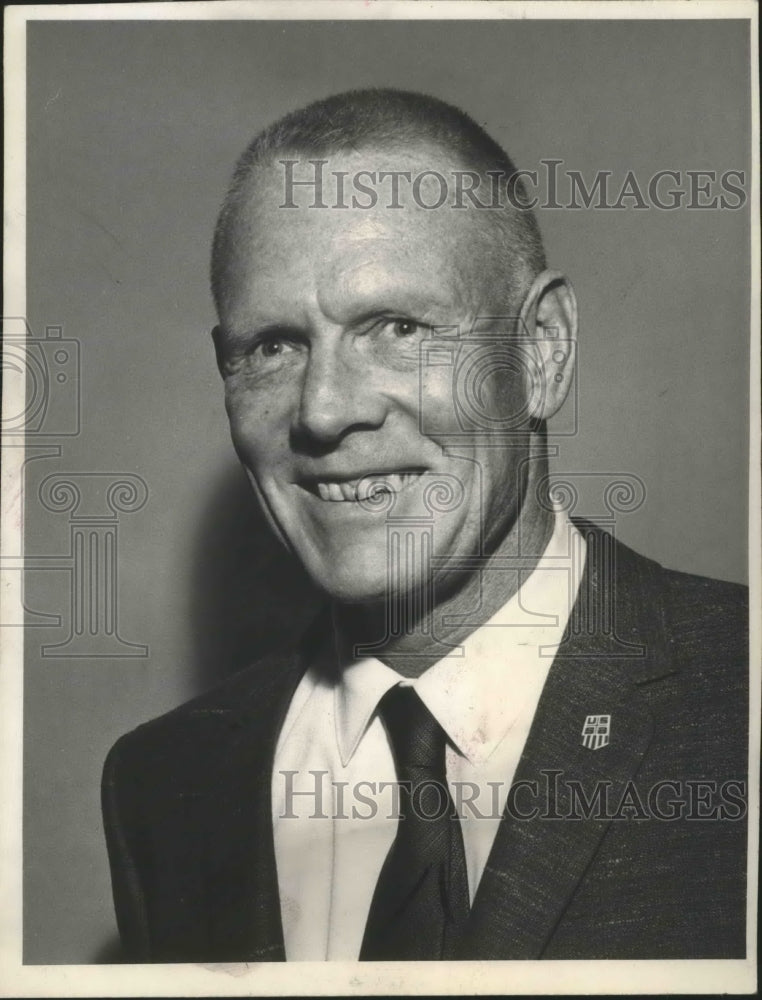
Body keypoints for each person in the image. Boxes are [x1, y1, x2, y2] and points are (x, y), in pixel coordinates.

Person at [102, 89, 748, 962]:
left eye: (398, 327)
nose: (324, 411)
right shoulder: (167, 789)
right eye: (273, 347)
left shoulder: (738, 700)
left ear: (543, 352)